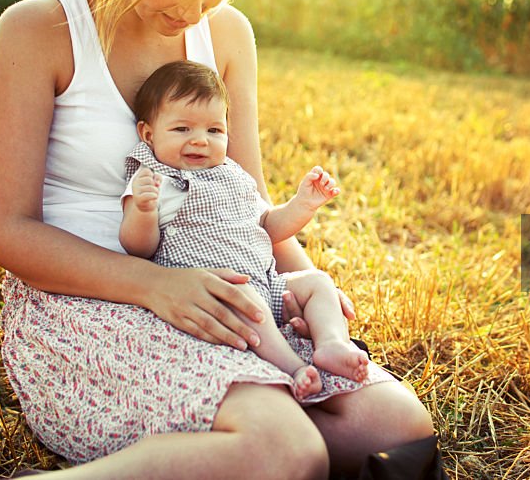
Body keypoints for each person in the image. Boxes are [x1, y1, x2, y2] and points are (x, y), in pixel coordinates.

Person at [0, 0, 437, 479]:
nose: (193, 11)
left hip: (225, 288)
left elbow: (244, 199)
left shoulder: (228, 34)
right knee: (288, 451)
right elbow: (10, 232)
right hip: (86, 300)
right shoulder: (39, 29)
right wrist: (156, 286)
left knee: (394, 431)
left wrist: (301, 285)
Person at [120, 60, 370, 399]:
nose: (200, 141)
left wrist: (302, 205)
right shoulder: (153, 181)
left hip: (266, 281)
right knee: (248, 302)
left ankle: (331, 344)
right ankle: (294, 367)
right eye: (182, 130)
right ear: (148, 134)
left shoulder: (232, 175)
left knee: (317, 282)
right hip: (217, 291)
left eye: (214, 131)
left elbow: (267, 226)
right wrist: (144, 211)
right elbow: (138, 248)